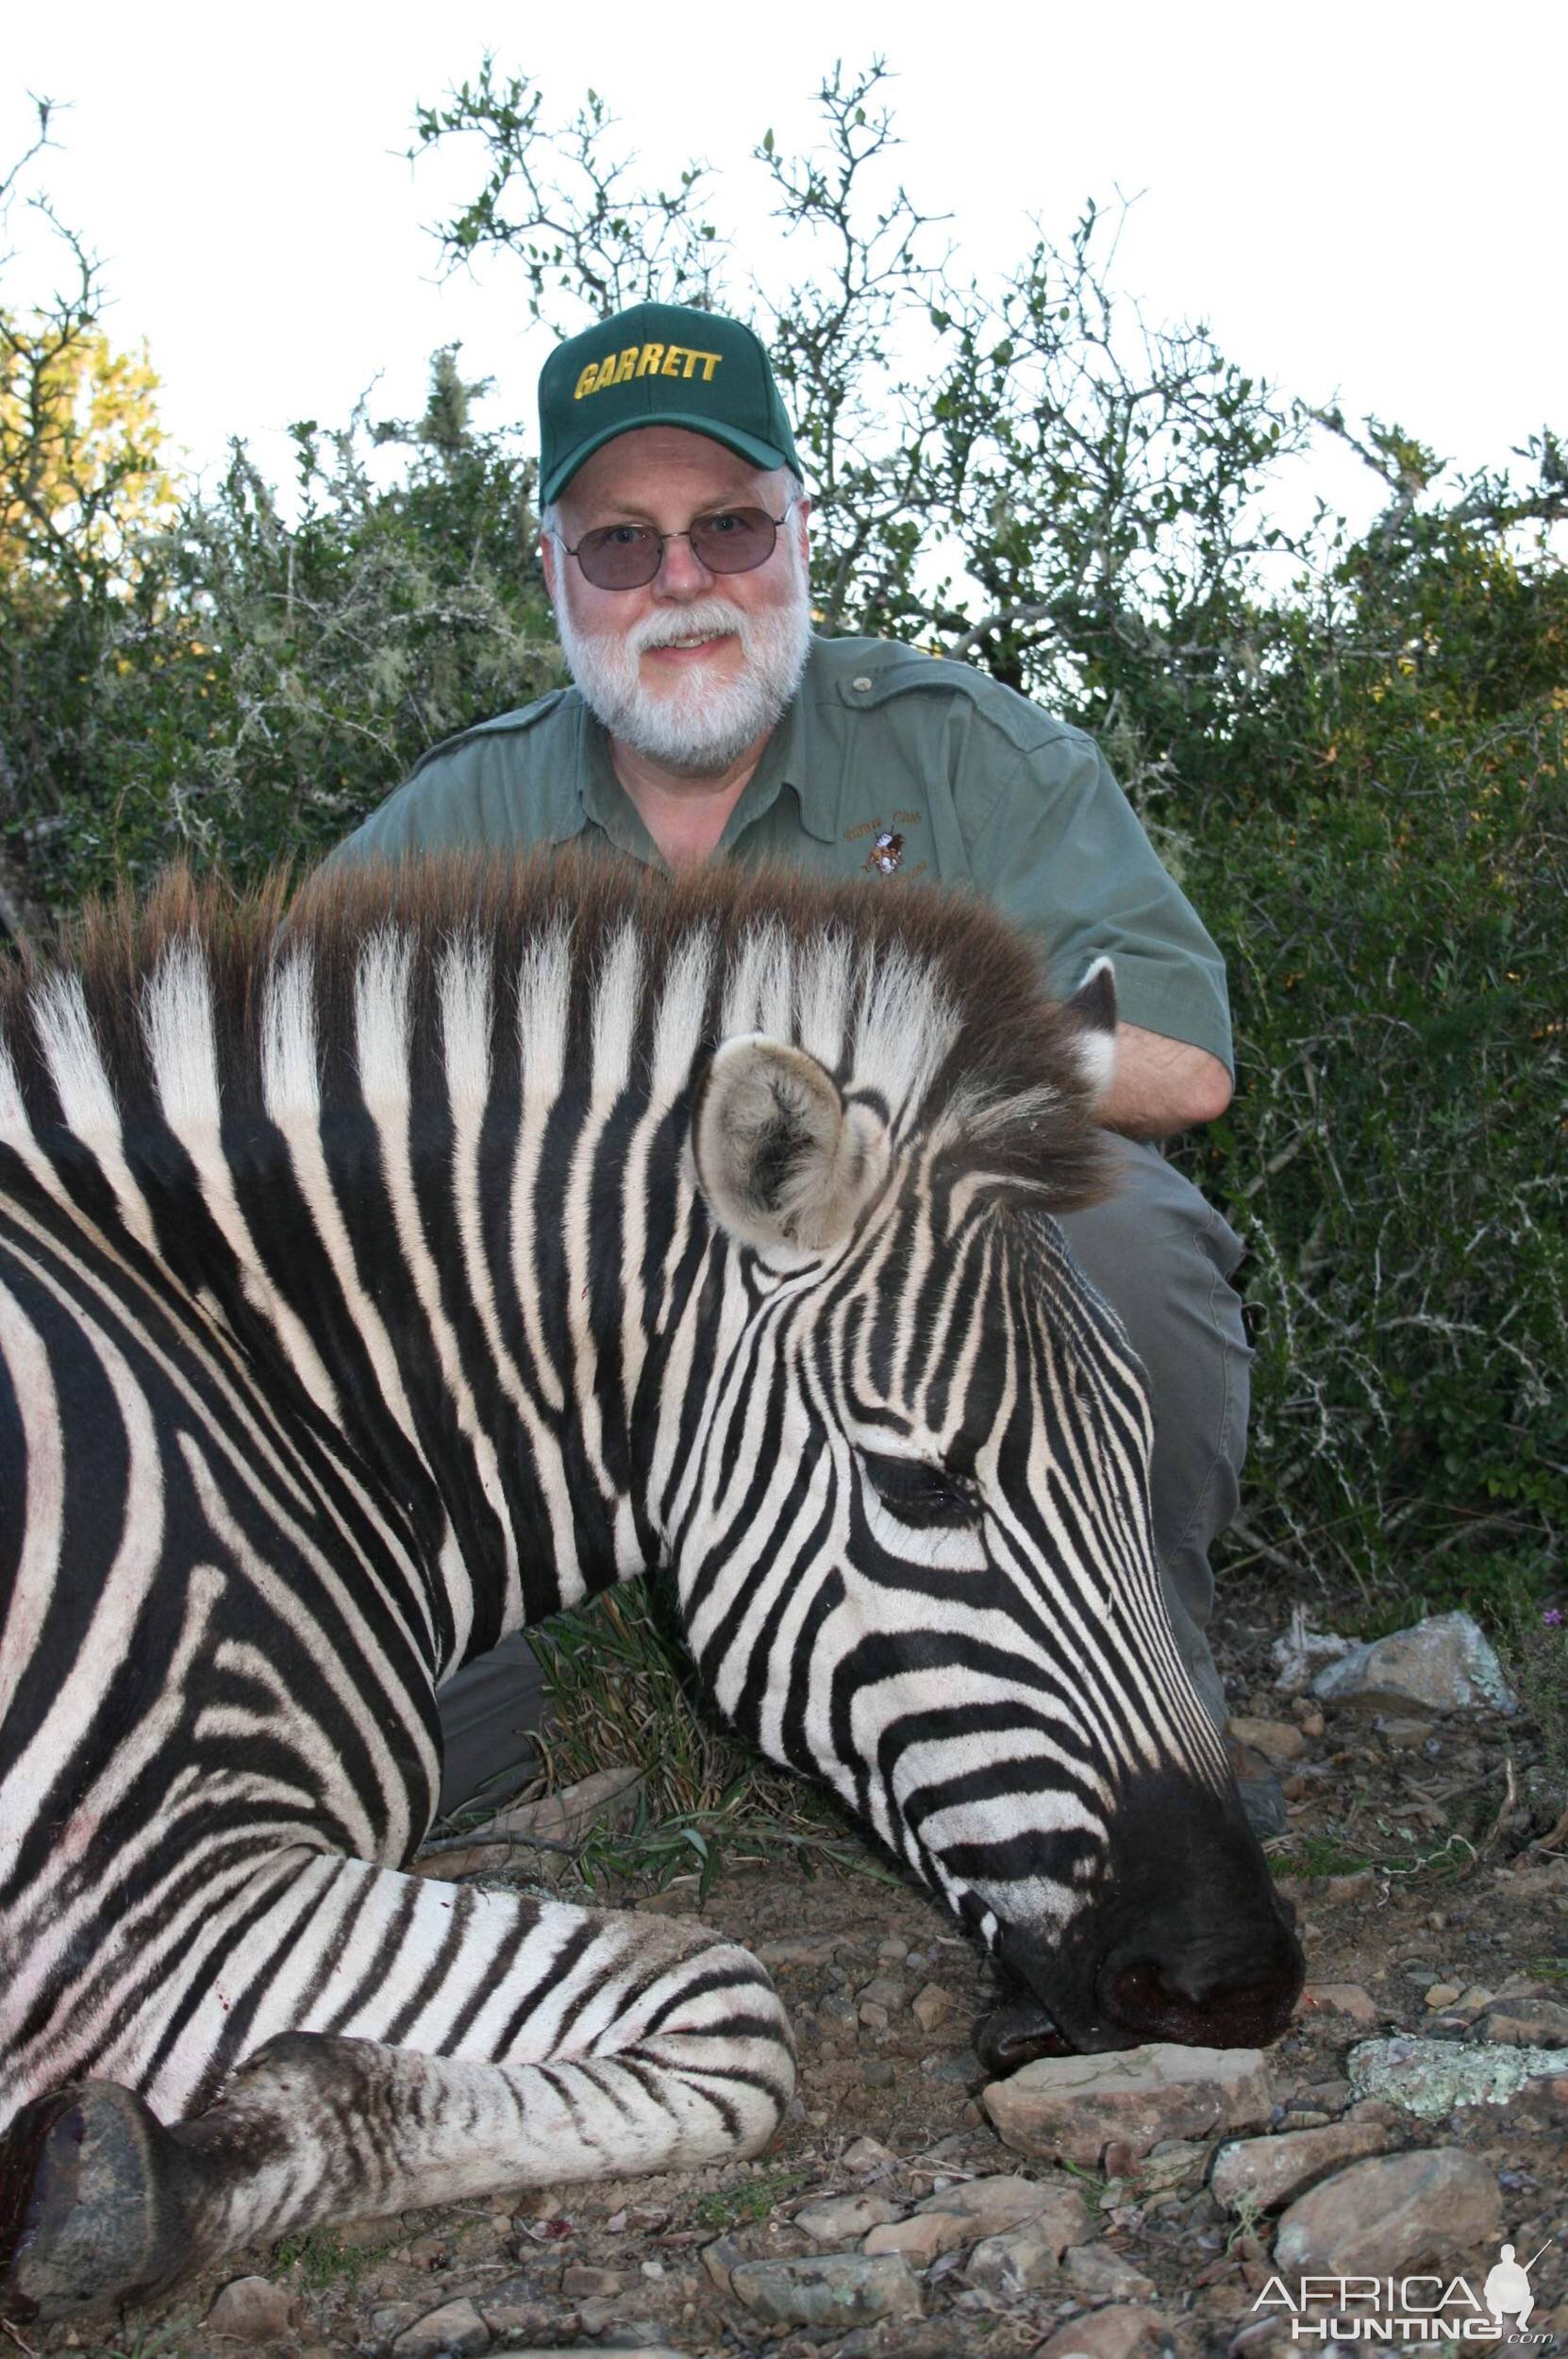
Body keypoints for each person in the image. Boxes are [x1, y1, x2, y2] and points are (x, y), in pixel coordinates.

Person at [333, 300, 1276, 1830]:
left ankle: (1127, 1709)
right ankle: (435, 1711)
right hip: (569, 1358)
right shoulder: (463, 812)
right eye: (621, 544)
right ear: (555, 572)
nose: (683, 580)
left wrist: (832, 1081)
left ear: (798, 526)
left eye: (727, 526)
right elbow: (276, 1122)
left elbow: (1173, 1072)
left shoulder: (965, 752)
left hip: (885, 1282)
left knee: (1120, 1241)